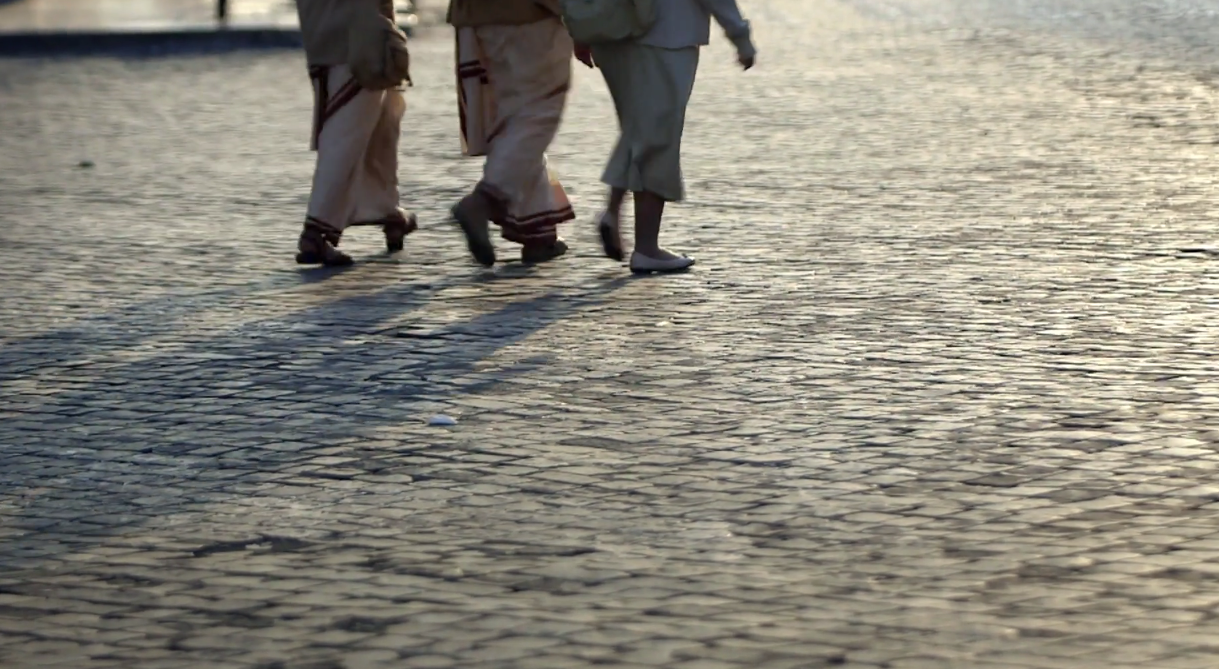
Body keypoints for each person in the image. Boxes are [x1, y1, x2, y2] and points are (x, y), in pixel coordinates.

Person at [583, 0, 757, 274]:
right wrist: (740, 35)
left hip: (610, 29)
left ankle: (614, 213)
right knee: (657, 135)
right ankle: (646, 247)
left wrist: (580, 29)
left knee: (640, 129)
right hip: (667, 33)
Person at [447, 0, 577, 267]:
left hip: (476, 15)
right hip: (526, 16)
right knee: (538, 113)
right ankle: (483, 200)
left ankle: (536, 230)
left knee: (516, 116)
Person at [293, 0, 416, 267]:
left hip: (332, 32)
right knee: (346, 132)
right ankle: (317, 230)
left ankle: (386, 209)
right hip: (355, 34)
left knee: (381, 128)